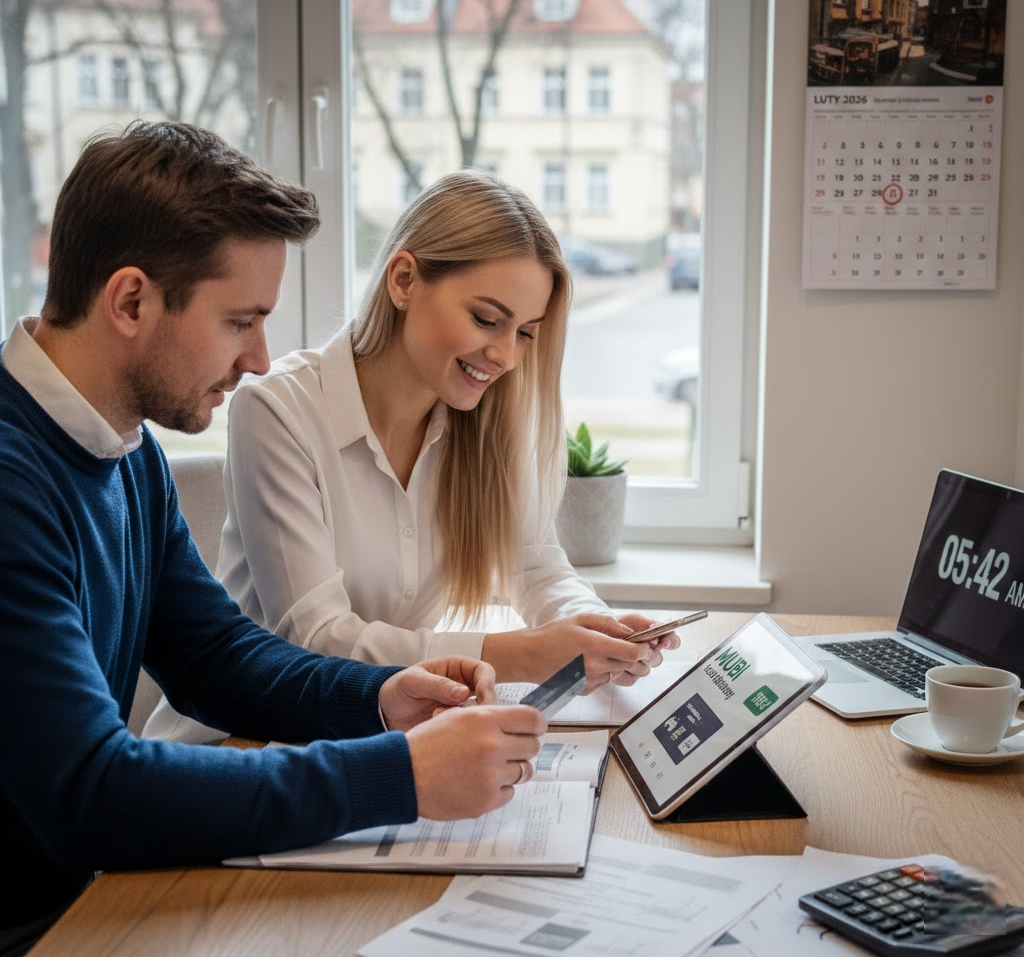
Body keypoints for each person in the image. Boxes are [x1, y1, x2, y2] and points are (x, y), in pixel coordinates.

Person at [0, 122, 546, 955]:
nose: (259, 359)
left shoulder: (124, 447)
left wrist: (379, 698)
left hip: (92, 899)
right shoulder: (11, 480)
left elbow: (216, 657)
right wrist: (398, 776)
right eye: (240, 321)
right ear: (132, 301)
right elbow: (92, 792)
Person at [146, 168, 678, 744]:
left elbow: (535, 566)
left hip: (371, 732)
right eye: (486, 319)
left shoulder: (484, 418)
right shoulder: (278, 410)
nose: (505, 356)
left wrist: (595, 629)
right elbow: (316, 638)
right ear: (403, 280)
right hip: (237, 745)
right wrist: (522, 654)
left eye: (526, 332)